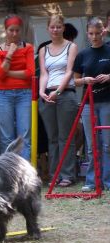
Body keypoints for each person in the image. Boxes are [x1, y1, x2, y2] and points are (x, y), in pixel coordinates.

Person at [38, 15, 79, 187]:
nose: (55, 30)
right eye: (52, 27)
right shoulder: (43, 49)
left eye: (58, 27)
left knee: (65, 137)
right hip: (47, 95)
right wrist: (41, 91)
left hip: (66, 93)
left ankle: (67, 175)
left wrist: (58, 90)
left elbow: (69, 72)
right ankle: (55, 175)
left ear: (63, 28)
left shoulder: (72, 46)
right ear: (48, 28)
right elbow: (44, 73)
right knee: (52, 138)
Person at [73, 17, 110, 192]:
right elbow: (75, 80)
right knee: (91, 143)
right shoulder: (82, 54)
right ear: (87, 34)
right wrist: (85, 80)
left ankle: (107, 180)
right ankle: (92, 180)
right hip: (88, 103)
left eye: (97, 33)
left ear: (103, 31)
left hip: (107, 102)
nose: (94, 37)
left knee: (107, 143)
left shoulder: (109, 50)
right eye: (91, 34)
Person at [0, 15, 35, 160]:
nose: (14, 34)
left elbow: (30, 73)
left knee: (25, 135)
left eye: (17, 30)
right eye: (11, 30)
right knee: (6, 137)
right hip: (3, 94)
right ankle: (8, 172)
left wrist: (6, 72)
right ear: (5, 30)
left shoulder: (28, 47)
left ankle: (25, 174)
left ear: (21, 30)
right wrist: (10, 53)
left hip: (24, 93)